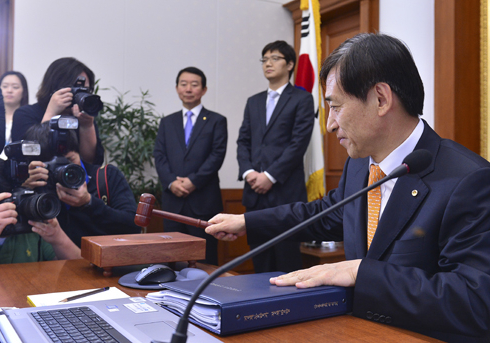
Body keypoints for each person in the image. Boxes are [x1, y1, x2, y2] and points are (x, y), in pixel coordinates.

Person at [206, 33, 490, 342]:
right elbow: (328, 214)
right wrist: (248, 222)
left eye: (336, 107)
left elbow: (475, 304)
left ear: (380, 99)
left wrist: (361, 274)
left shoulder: (469, 180)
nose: (329, 125)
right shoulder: (360, 164)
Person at [236, 40, 315, 273]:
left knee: (286, 262)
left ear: (290, 64)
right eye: (264, 59)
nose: (268, 64)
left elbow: (298, 144)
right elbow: (243, 141)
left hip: (286, 194)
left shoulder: (302, 99)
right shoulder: (254, 101)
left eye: (274, 58)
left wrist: (269, 176)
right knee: (259, 262)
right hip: (255, 196)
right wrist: (249, 172)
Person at [22, 122, 141, 247]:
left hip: (106, 263)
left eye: (69, 161)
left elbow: (133, 226)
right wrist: (24, 189)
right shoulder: (36, 185)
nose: (62, 170)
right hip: (54, 264)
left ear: (78, 152)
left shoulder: (106, 177)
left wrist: (89, 203)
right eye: (52, 166)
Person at [153, 67, 227, 265]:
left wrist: (193, 181)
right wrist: (171, 182)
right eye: (183, 84)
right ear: (177, 88)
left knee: (205, 260)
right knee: (171, 259)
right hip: (172, 204)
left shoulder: (216, 121)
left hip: (203, 202)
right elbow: (159, 156)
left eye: (194, 85)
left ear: (203, 90)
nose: (188, 89)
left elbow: (216, 156)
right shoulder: (167, 122)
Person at [10, 57, 104, 165]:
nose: (79, 93)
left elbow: (91, 162)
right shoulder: (26, 114)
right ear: (54, 86)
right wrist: (51, 112)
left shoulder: (82, 117)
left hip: (77, 179)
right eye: (74, 88)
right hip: (39, 179)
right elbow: (28, 157)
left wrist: (87, 127)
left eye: (85, 89)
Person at [0, 71, 29, 159]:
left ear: (24, 91)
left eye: (15, 87)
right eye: (5, 86)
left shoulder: (28, 118)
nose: (9, 91)